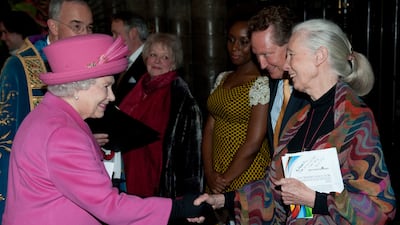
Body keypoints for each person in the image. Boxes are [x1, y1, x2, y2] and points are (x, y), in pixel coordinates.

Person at [190, 18, 397, 224]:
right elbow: (276, 190)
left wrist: (316, 200)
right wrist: (222, 200)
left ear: (319, 56)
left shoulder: (355, 120)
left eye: (291, 55)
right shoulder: (299, 119)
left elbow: (379, 207)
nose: (286, 65)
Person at [1, 33, 211, 225]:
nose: (111, 96)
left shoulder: (50, 115)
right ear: (79, 86)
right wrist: (177, 208)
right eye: (105, 86)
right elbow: (109, 207)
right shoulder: (63, 134)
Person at [0, 0, 93, 221]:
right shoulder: (19, 67)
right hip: (40, 196)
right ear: (53, 26)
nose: (85, 35)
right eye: (76, 26)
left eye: (90, 27)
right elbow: (6, 142)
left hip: (84, 186)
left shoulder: (94, 63)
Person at [118, 32, 203, 201]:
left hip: (160, 181)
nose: (157, 61)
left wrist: (188, 195)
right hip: (128, 172)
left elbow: (191, 151)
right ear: (146, 58)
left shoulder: (180, 93)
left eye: (164, 57)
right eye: (153, 55)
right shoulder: (140, 86)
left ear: (173, 63)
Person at [202, 15, 270, 195]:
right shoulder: (222, 78)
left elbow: (254, 141)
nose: (235, 47)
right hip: (216, 171)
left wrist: (224, 179)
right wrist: (209, 173)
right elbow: (209, 129)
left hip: (245, 172)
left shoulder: (261, 83)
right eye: (231, 40)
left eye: (243, 42)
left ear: (254, 45)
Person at [248, 6, 308, 152]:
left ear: (291, 44)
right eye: (256, 55)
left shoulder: (312, 88)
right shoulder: (273, 82)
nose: (261, 64)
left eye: (267, 54)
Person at [110, 10, 148, 105]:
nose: (113, 39)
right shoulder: (119, 61)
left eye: (116, 34)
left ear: (133, 33)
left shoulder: (150, 63)